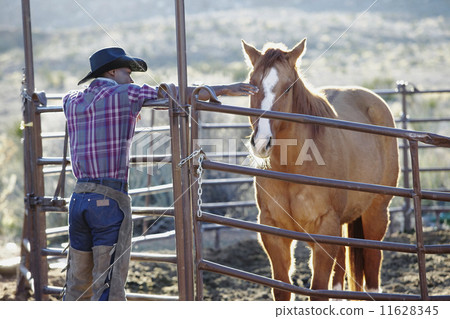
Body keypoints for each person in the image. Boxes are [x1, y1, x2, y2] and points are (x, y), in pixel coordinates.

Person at [62, 47, 257, 301]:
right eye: (126, 72)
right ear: (111, 71)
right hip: (109, 201)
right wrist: (221, 89)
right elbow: (173, 94)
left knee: (77, 282)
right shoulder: (127, 93)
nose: (131, 78)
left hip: (78, 199)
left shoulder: (71, 100)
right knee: (108, 284)